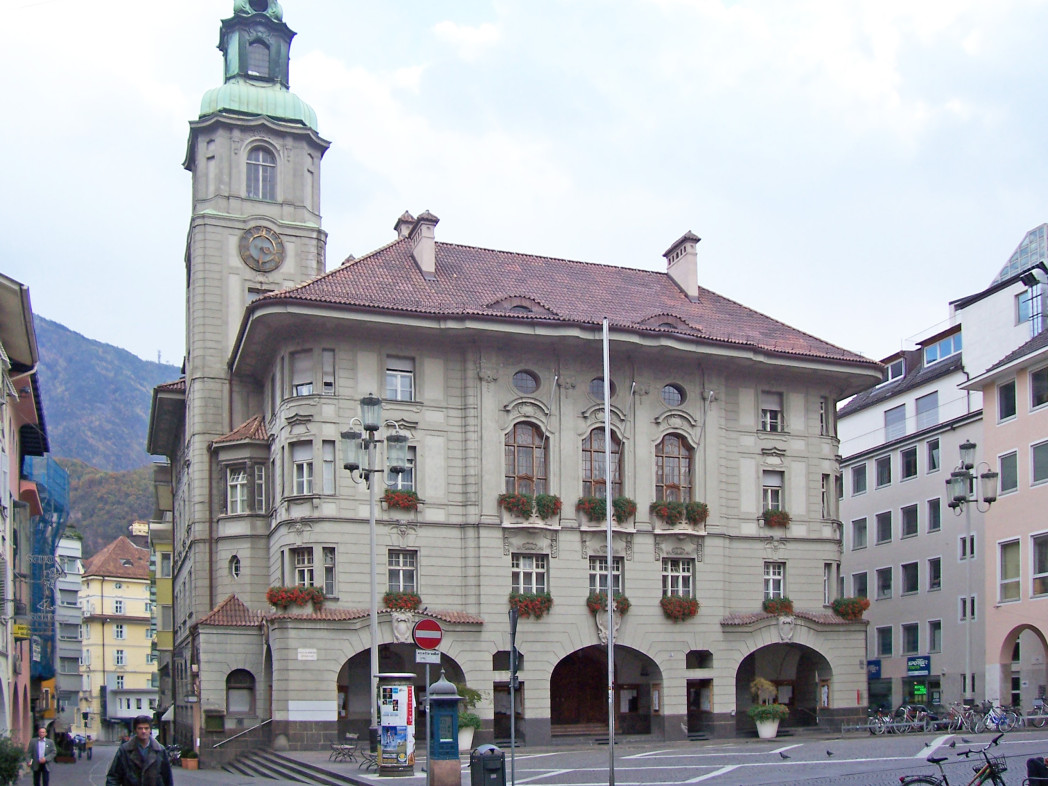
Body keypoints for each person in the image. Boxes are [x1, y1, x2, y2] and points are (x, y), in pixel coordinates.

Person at [105, 716, 173, 786]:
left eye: (146, 728)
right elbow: (113, 777)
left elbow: (167, 778)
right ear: (135, 730)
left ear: (150, 730)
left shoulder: (160, 751)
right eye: (140, 728)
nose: (143, 731)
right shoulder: (125, 750)